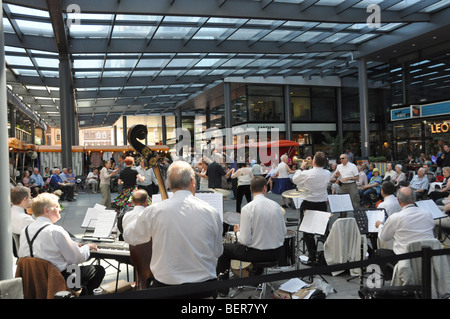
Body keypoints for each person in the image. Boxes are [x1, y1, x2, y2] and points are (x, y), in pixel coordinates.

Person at [123, 161, 223, 298]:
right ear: (192, 182)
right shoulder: (211, 211)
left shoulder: (154, 211)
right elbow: (217, 252)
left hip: (166, 289)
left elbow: (129, 236)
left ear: (168, 185)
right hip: (204, 289)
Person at [18, 193, 105, 295]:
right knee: (98, 270)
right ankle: (77, 294)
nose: (60, 209)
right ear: (46, 210)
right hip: (58, 278)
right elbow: (77, 258)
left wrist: (72, 245)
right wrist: (87, 247)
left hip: (33, 279)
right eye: (57, 206)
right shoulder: (56, 230)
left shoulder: (25, 230)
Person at [216, 176, 286, 296]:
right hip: (277, 253)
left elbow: (245, 240)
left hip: (257, 255)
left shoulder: (248, 208)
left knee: (225, 249)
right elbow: (283, 232)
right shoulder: (276, 206)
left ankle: (223, 288)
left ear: (250, 189)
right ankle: (256, 274)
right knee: (257, 243)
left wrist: (238, 231)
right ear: (265, 188)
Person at [374, 187, 435, 275]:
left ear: (399, 201)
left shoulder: (396, 217)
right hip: (427, 258)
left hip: (405, 260)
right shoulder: (428, 214)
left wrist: (380, 225)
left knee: (379, 253)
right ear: (415, 198)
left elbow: (383, 237)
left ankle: (394, 280)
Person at [292, 151, 331, 265]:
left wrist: (301, 168)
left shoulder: (307, 173)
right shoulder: (327, 173)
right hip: (322, 204)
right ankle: (328, 256)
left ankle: (312, 257)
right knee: (324, 231)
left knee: (308, 232)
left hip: (309, 204)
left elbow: (295, 180)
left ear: (313, 161)